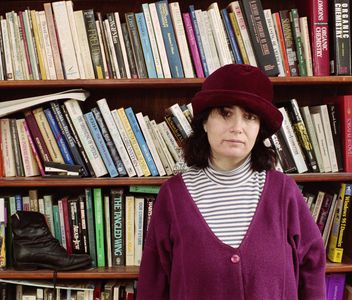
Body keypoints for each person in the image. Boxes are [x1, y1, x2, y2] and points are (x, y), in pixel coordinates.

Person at [136, 64, 326, 300]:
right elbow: (153, 284)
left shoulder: (284, 193)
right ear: (205, 122)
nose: (237, 128)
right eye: (225, 113)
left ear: (259, 129)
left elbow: (313, 269)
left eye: (249, 117)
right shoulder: (173, 196)